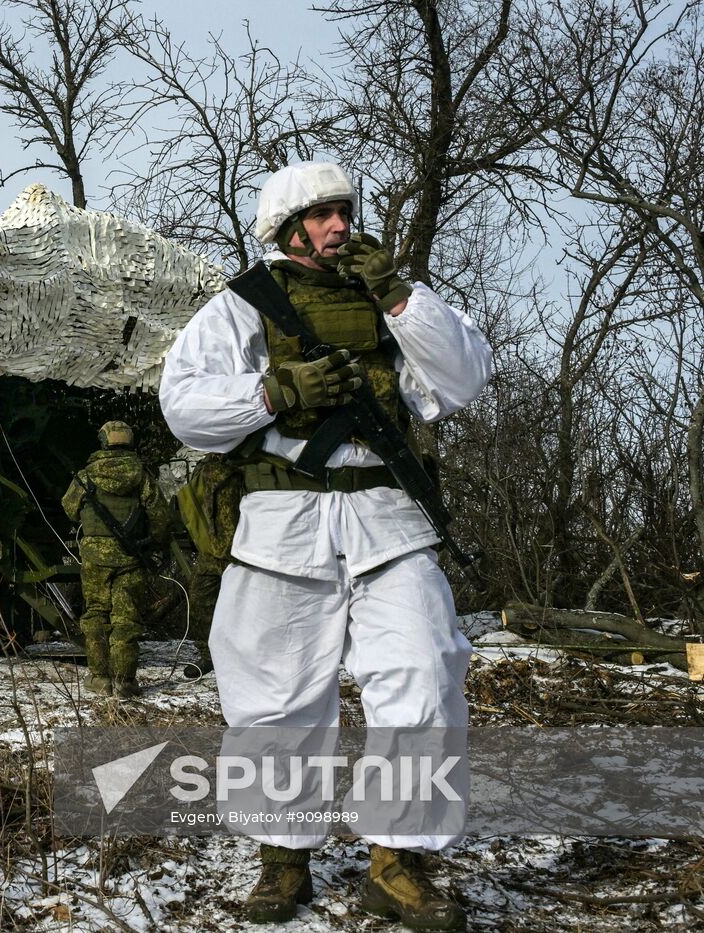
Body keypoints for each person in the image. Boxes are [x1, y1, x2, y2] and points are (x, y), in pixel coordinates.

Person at [159, 161, 491, 930]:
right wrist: (273, 393)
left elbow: (466, 377)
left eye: (345, 211)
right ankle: (282, 861)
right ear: (287, 228)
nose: (342, 225)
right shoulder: (242, 305)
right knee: (274, 695)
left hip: (386, 515)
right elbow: (184, 406)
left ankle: (398, 863)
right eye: (324, 214)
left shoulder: (392, 302)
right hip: (283, 520)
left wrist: (403, 297)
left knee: (425, 669)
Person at [61, 420, 171, 699]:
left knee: (96, 613)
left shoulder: (86, 476)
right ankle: (124, 682)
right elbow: (159, 515)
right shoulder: (142, 476)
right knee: (127, 617)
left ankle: (99, 678)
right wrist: (153, 541)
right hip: (130, 554)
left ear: (103, 442)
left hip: (95, 556)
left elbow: (69, 508)